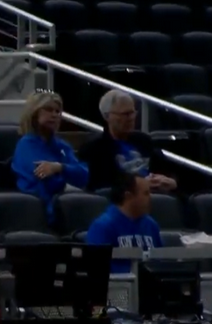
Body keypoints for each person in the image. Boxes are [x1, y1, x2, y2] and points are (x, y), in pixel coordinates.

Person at [78, 89, 177, 192]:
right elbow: (100, 185)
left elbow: (165, 170)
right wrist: (140, 184)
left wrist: (170, 181)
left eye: (132, 113)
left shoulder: (144, 140)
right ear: (107, 116)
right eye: (125, 114)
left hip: (154, 194)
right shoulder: (94, 149)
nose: (131, 118)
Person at [11, 90, 89, 221]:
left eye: (57, 111)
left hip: (65, 208)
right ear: (34, 113)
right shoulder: (26, 145)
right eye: (48, 109)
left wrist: (59, 168)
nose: (54, 115)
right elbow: (44, 180)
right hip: (37, 211)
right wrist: (68, 178)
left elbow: (84, 175)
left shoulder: (63, 146)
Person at [85, 172, 163, 274]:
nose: (150, 198)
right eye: (146, 193)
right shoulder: (102, 227)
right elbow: (97, 269)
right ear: (128, 196)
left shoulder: (151, 225)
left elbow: (160, 262)